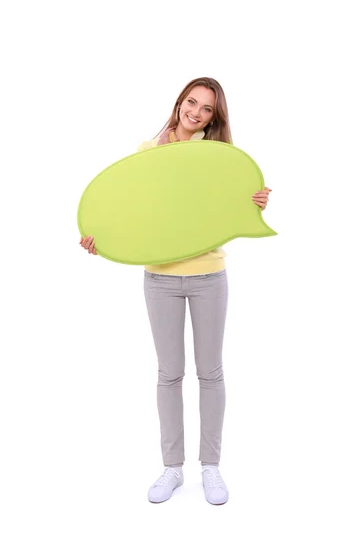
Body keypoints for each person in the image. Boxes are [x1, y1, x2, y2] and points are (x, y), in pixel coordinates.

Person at [80, 77, 272, 505]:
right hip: (160, 279)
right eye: (192, 102)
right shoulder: (147, 155)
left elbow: (223, 207)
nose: (196, 113)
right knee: (169, 375)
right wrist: (101, 240)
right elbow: (129, 213)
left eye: (206, 109)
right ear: (180, 102)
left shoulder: (218, 157)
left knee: (211, 373)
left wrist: (252, 200)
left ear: (214, 117)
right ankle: (171, 468)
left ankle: (211, 467)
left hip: (209, 276)